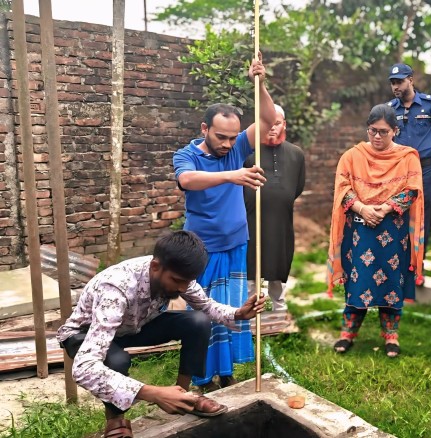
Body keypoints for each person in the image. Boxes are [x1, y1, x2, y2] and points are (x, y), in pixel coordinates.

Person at [57, 231, 267, 438]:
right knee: (117, 360)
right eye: (177, 281)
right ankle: (116, 419)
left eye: (187, 282)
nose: (183, 288)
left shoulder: (177, 273)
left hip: (134, 326)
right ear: (155, 267)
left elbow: (206, 306)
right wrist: (155, 394)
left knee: (198, 322)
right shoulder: (115, 288)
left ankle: (182, 396)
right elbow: (84, 368)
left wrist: (238, 314)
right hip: (86, 334)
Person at [172, 52, 276, 391]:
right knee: (204, 313)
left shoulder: (236, 147)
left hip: (236, 243)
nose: (228, 144)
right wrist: (233, 175)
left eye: (233, 138)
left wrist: (260, 84)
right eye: (221, 137)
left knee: (232, 308)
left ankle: (227, 371)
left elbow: (268, 119)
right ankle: (202, 377)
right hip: (203, 250)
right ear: (205, 129)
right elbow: (188, 180)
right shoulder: (186, 155)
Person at [326, 104, 424, 358]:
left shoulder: (407, 157)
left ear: (395, 131)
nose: (377, 137)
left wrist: (384, 209)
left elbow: (412, 190)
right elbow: (343, 187)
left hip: (393, 230)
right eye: (372, 131)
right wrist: (362, 208)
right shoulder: (352, 156)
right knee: (357, 279)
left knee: (392, 280)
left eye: (383, 132)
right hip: (360, 230)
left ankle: (391, 335)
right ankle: (348, 332)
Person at [386, 63, 431, 286]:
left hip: (425, 169)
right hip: (398, 170)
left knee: (422, 217)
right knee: (396, 215)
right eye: (393, 83)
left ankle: (418, 267)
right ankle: (397, 265)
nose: (396, 86)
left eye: (400, 82)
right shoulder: (389, 109)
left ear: (411, 80)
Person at [243, 104, 306, 313]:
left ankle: (278, 306)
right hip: (251, 220)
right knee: (251, 265)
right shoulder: (249, 152)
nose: (272, 127)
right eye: (267, 123)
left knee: (279, 262)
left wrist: (280, 198)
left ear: (284, 124)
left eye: (276, 123)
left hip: (281, 220)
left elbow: (297, 187)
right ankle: (249, 310)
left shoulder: (296, 154)